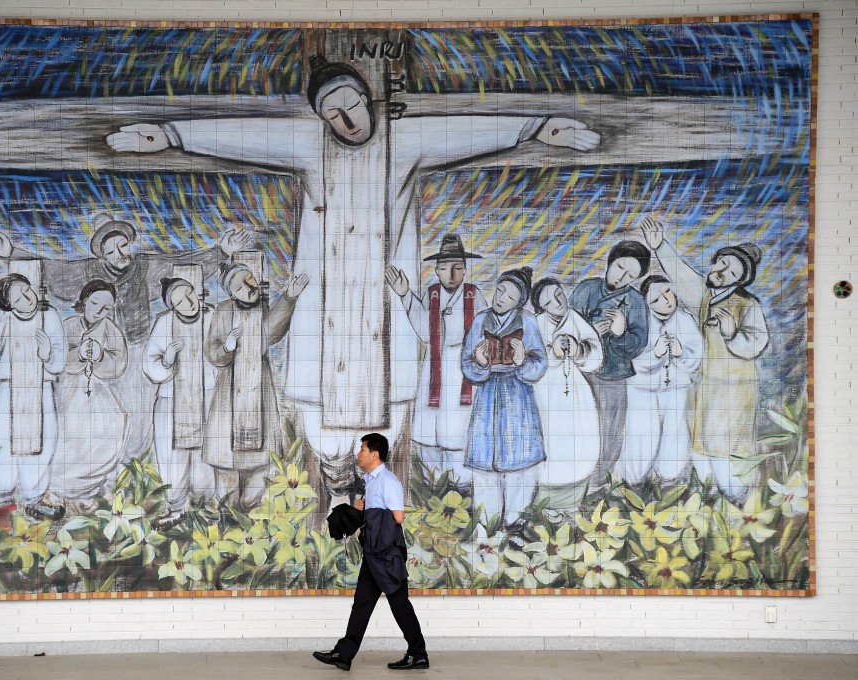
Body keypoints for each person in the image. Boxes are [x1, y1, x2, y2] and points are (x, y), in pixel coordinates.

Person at [106, 54, 600, 507]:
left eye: (351, 105)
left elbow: (467, 129)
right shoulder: (310, 145)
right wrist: (171, 135)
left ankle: (374, 495)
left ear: (367, 99)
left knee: (386, 417)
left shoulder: (404, 141)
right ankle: (337, 485)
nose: (346, 121)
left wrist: (536, 127)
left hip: (385, 322)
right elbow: (246, 136)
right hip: (323, 320)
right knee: (322, 425)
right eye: (332, 113)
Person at [0, 213, 252, 463]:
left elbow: (182, 265)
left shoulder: (146, 266)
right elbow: (52, 271)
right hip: (100, 354)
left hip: (136, 350)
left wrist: (221, 252)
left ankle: (132, 465)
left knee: (141, 416)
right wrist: (12, 253)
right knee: (100, 418)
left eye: (122, 246)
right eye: (110, 251)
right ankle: (107, 466)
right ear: (102, 255)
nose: (119, 254)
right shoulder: (88, 271)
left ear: (129, 244)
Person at [641, 217, 769, 499]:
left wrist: (732, 333)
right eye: (721, 263)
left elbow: (757, 342)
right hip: (705, 388)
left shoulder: (747, 304)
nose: (721, 271)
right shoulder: (706, 296)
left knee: (726, 451)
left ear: (739, 280)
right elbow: (682, 276)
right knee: (701, 449)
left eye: (731, 271)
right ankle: (709, 505)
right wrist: (659, 246)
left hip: (734, 392)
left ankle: (738, 501)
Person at [313, 433, 429, 672]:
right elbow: (378, 512)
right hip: (373, 552)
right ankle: (344, 654)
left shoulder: (388, 481)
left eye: (362, 449)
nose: (359, 453)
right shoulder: (371, 480)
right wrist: (362, 509)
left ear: (374, 454)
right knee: (362, 604)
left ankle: (418, 654)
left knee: (399, 605)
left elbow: (398, 517)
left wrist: (370, 513)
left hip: (387, 554)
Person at [0, 260, 65, 518]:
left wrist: (47, 354)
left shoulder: (49, 315)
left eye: (26, 290)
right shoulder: (6, 321)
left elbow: (59, 359)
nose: (26, 297)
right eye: (17, 297)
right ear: (9, 305)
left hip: (40, 389)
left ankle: (35, 497)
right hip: (9, 388)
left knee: (43, 442)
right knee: (2, 440)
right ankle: (3, 497)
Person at [385, 234, 487, 489]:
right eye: (444, 269)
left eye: (456, 268)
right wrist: (405, 294)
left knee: (459, 433)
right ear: (437, 270)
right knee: (429, 434)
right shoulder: (431, 295)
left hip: (465, 369)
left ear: (464, 269)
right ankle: (432, 489)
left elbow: (485, 331)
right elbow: (422, 329)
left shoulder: (475, 296)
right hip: (435, 367)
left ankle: (461, 488)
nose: (450, 275)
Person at [203, 264, 308, 509]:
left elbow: (271, 331)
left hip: (259, 392)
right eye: (238, 287)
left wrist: (289, 297)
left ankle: (252, 517)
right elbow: (212, 351)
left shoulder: (262, 308)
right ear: (231, 293)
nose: (247, 288)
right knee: (227, 471)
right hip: (229, 395)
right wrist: (227, 347)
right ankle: (228, 519)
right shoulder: (223, 311)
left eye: (248, 280)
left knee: (259, 472)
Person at [462, 268, 548, 527]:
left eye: (510, 296)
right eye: (499, 290)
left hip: (517, 397)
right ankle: (486, 525)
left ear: (519, 301)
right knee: (485, 465)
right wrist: (479, 362)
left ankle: (515, 523)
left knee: (520, 464)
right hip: (487, 396)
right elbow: (467, 366)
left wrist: (522, 361)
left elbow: (540, 363)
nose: (501, 298)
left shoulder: (528, 321)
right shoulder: (480, 320)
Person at [569, 241, 651, 489]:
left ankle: (598, 481)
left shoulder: (636, 301)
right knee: (578, 424)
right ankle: (573, 478)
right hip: (580, 372)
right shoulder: (587, 289)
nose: (622, 276)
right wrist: (589, 332)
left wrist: (619, 333)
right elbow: (567, 325)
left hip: (613, 374)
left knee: (610, 429)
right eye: (620, 267)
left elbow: (638, 344)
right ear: (611, 262)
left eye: (630, 275)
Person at [47, 280, 129, 509]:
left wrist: (101, 356)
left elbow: (119, 365)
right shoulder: (68, 325)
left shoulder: (111, 330)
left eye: (107, 308)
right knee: (70, 436)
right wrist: (78, 355)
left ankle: (89, 490)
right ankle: (59, 490)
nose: (100, 311)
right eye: (95, 303)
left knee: (110, 428)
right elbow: (56, 359)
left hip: (98, 391)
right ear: (84, 301)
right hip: (69, 390)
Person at [144, 276, 216, 528]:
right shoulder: (165, 323)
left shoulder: (211, 317)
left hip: (206, 396)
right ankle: (175, 507)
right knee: (173, 457)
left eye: (189, 295)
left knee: (205, 456)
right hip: (171, 401)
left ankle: (203, 505)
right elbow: (150, 365)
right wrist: (167, 360)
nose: (188, 303)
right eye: (180, 302)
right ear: (172, 308)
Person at [621, 275, 703, 487]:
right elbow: (630, 359)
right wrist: (654, 354)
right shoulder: (638, 321)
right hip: (642, 390)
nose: (666, 300)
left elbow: (695, 360)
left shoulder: (685, 320)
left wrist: (680, 353)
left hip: (675, 388)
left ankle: (669, 481)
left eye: (668, 292)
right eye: (656, 299)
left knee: (674, 433)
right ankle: (635, 482)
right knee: (640, 435)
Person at [530, 277, 603, 510]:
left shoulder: (575, 319)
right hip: (545, 392)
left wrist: (578, 349)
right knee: (549, 440)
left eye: (558, 294)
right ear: (542, 307)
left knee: (579, 442)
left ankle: (572, 502)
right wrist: (554, 353)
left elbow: (596, 356)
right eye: (549, 301)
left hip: (575, 391)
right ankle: (543, 503)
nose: (557, 302)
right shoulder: (536, 323)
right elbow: (533, 355)